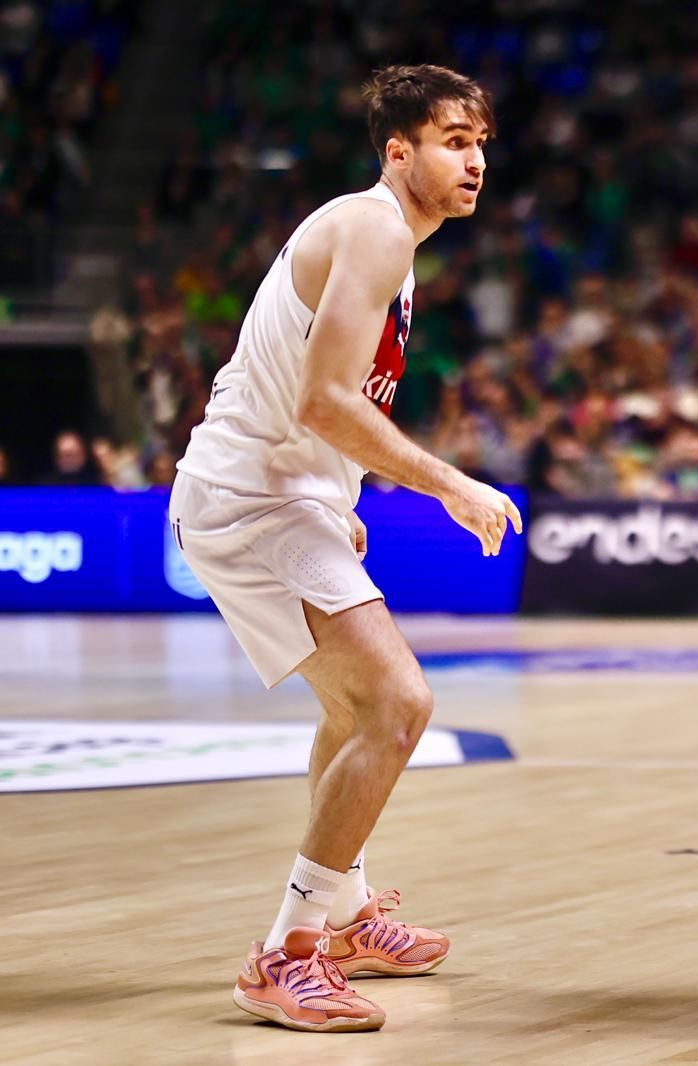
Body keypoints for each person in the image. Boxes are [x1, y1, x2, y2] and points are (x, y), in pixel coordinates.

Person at [168, 65, 522, 1033]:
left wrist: (340, 487)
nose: (476, 159)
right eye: (455, 139)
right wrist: (451, 483)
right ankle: (286, 953)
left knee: (351, 705)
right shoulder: (371, 226)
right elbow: (324, 400)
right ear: (397, 151)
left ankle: (351, 915)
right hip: (250, 503)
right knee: (398, 702)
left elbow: (312, 397)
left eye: (482, 141)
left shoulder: (393, 246)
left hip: (291, 494)